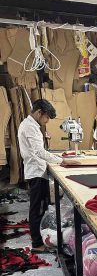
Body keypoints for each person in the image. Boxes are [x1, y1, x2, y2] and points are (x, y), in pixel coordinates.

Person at [18, 99, 62, 253]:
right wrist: (61, 160)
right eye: (46, 117)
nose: (47, 121)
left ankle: (41, 237)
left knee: (40, 208)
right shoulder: (30, 127)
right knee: (36, 209)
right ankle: (37, 244)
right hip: (36, 172)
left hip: (37, 171)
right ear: (39, 113)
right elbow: (38, 151)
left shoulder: (31, 125)